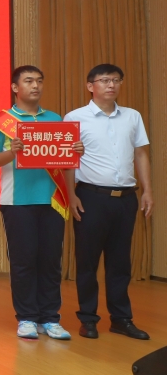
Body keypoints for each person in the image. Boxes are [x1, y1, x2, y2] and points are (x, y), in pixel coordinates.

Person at [0, 66, 83, 340]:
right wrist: (11, 153)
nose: (35, 86)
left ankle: (50, 318)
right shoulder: (1, 121)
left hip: (53, 200)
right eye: (28, 81)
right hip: (17, 201)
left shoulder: (54, 119)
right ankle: (26, 317)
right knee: (24, 260)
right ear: (15, 87)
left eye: (39, 81)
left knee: (51, 260)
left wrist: (76, 151)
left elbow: (65, 161)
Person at [64, 63, 153, 340]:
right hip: (91, 197)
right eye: (104, 80)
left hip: (126, 198)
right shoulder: (74, 118)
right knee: (87, 262)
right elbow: (67, 159)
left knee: (120, 262)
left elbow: (141, 154)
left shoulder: (132, 116)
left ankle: (121, 319)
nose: (111, 85)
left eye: (116, 80)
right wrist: (71, 195)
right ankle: (88, 318)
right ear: (90, 86)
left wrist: (147, 191)